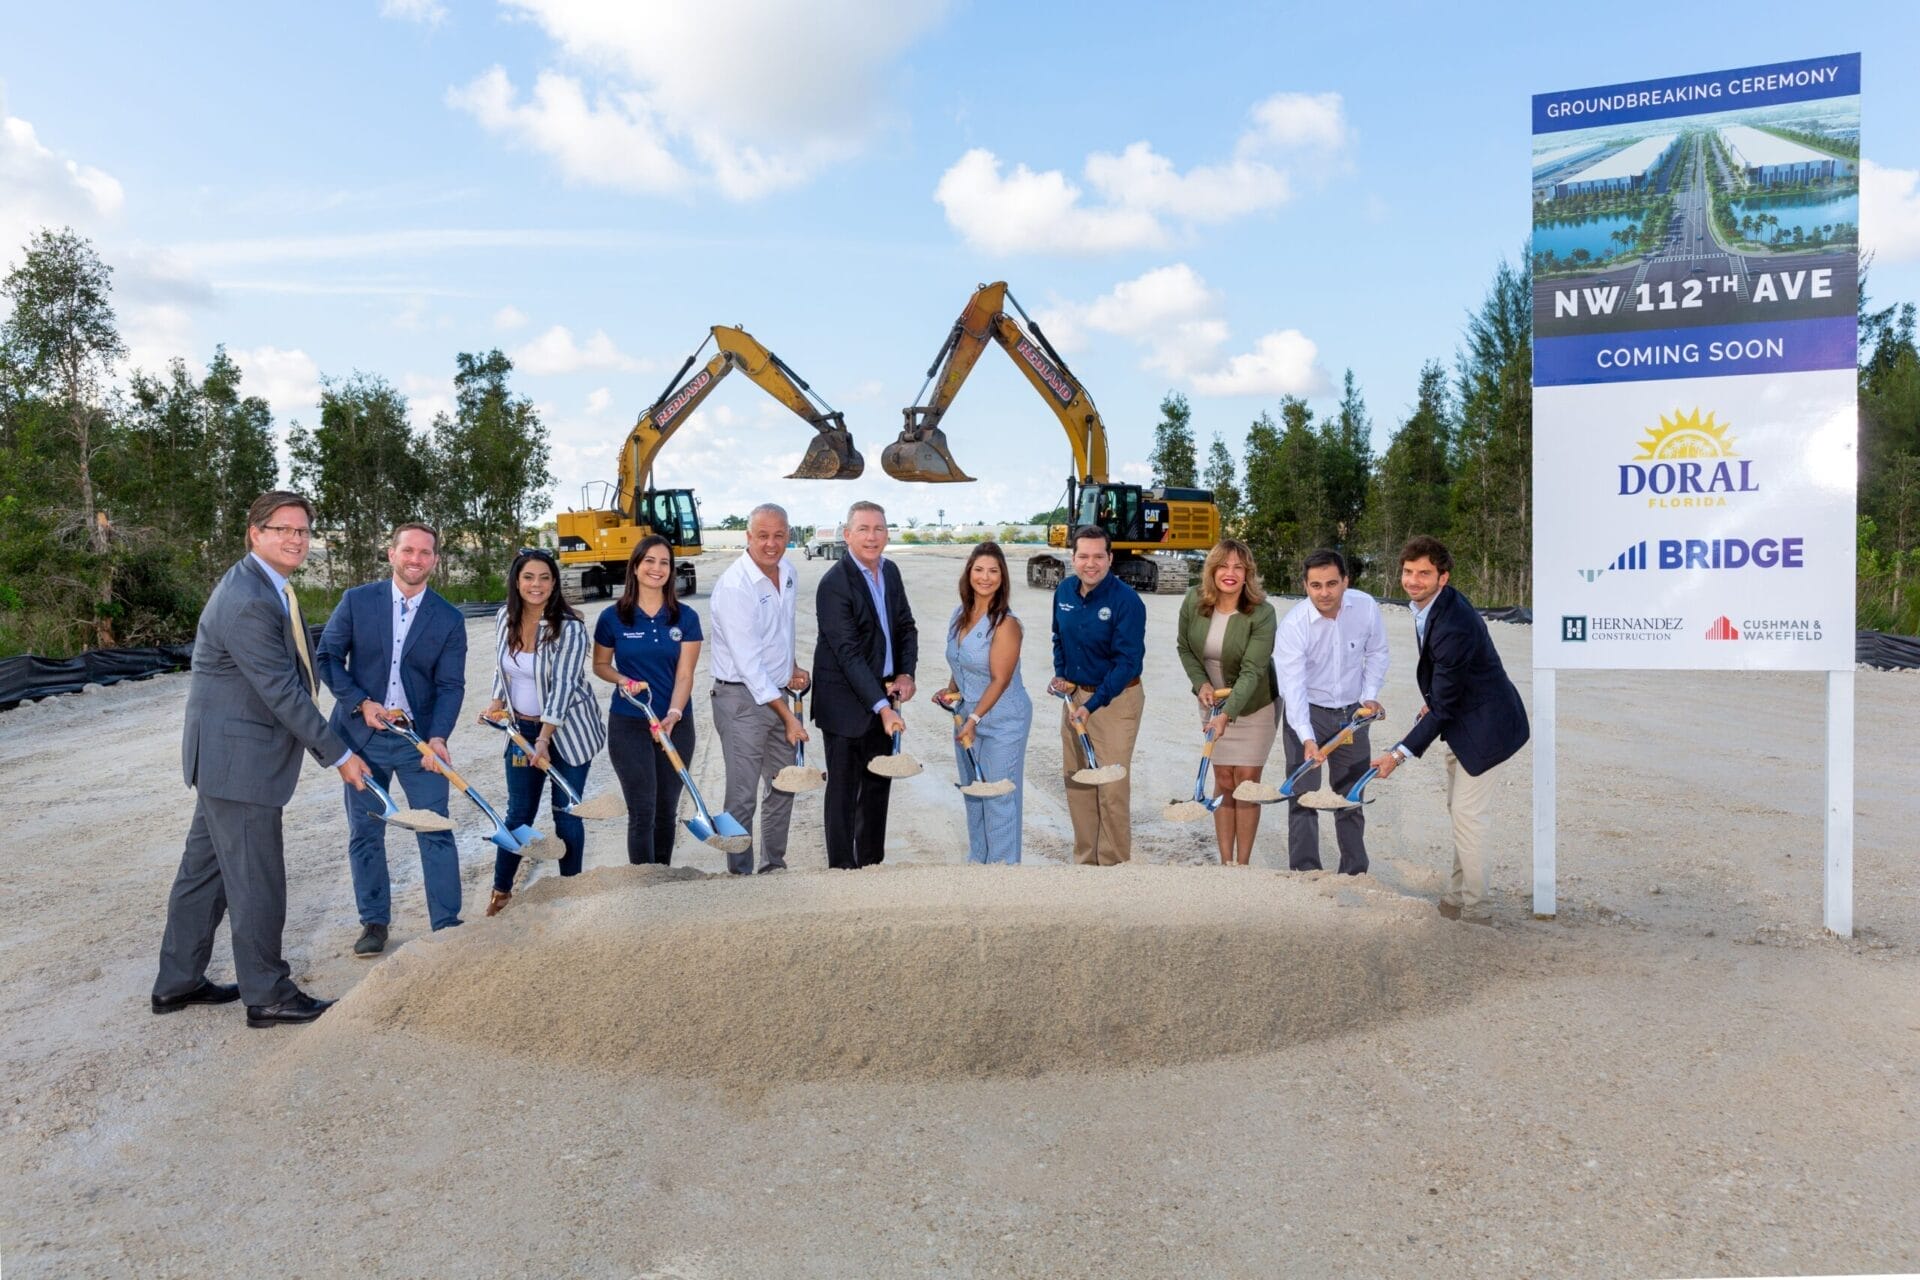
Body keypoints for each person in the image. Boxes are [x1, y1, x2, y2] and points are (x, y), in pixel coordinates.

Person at [152, 490, 371, 1028]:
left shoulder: (264, 586)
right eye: (283, 530)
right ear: (255, 533)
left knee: (204, 875)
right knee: (256, 879)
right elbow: (281, 690)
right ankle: (268, 993)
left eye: (302, 531)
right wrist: (339, 751)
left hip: (225, 761)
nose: (295, 539)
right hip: (240, 764)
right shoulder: (250, 599)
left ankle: (177, 982)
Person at [316, 521, 468, 957]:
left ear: (434, 561)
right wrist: (360, 702)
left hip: (417, 739)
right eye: (408, 551)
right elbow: (328, 657)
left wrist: (438, 737)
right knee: (365, 830)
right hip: (361, 737)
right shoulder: (357, 601)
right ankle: (374, 922)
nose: (415, 559)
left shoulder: (449, 618)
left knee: (435, 827)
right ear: (392, 554)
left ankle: (447, 925)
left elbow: (450, 686)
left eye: (424, 553)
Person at [1368, 535, 1530, 923]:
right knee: (1459, 812)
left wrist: (1396, 754)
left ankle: (1477, 910)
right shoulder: (1432, 606)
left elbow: (1445, 700)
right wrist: (1438, 698)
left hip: (1486, 728)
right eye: (1408, 572)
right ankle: (1457, 898)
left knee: (1469, 817)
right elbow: (1448, 683)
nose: (1413, 580)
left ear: (1443, 577)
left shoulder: (1453, 622)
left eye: (1424, 573)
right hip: (1463, 718)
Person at [483, 547, 605, 914]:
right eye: (528, 577)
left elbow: (565, 685)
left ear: (554, 583)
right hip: (521, 730)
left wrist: (544, 739)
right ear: (517, 582)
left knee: (567, 813)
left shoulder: (569, 628)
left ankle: (571, 892)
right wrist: (495, 704)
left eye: (544, 578)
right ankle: (501, 893)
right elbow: (502, 670)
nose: (536, 585)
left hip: (565, 732)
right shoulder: (505, 617)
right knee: (518, 812)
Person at [811, 500, 917, 870]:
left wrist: (906, 674)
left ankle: (871, 867)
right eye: (863, 529)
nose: (872, 537)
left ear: (887, 534)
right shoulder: (834, 584)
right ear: (847, 535)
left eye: (878, 529)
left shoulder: (890, 572)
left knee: (877, 788)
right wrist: (883, 708)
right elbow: (848, 654)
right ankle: (842, 870)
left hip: (883, 697)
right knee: (842, 792)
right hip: (844, 704)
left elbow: (905, 626)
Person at [706, 503, 809, 874]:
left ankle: (773, 866)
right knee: (742, 794)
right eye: (762, 536)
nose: (771, 543)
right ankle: (740, 874)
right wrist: (789, 718)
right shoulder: (735, 587)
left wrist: (792, 666)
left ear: (789, 535)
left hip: (776, 692)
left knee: (784, 785)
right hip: (740, 700)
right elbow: (748, 664)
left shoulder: (789, 571)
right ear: (748, 537)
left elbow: (781, 632)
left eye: (779, 535)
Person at [1273, 549, 1390, 875]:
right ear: (1305, 585)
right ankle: (1305, 871)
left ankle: (1354, 872)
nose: (1324, 593)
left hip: (1352, 715)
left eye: (1331, 584)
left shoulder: (1365, 607)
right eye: (1315, 585)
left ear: (1345, 582)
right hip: (1307, 712)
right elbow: (1292, 688)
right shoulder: (1295, 625)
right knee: (1303, 795)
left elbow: (1378, 652)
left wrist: (1368, 698)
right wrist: (1306, 738)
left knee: (1351, 793)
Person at [592, 534, 701, 866]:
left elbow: (685, 675)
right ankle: (643, 885)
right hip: (629, 723)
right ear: (636, 568)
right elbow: (600, 664)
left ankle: (661, 881)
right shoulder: (613, 617)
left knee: (666, 809)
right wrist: (622, 679)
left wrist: (674, 713)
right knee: (642, 808)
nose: (657, 568)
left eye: (664, 562)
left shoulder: (685, 617)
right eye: (649, 561)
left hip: (674, 724)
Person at [1175, 539, 1278, 866]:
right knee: (1222, 780)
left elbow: (1252, 670)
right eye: (1223, 566)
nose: (1230, 573)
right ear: (1212, 570)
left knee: (1245, 782)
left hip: (1254, 703)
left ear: (1248, 573)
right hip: (1211, 700)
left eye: (1238, 567)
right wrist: (1200, 683)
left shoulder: (1262, 612)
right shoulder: (1194, 600)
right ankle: (1225, 863)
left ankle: (1242, 865)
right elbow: (1185, 648)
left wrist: (1228, 713)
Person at [1048, 524, 1146, 866]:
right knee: (1078, 781)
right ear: (1073, 557)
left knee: (1111, 786)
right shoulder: (1063, 593)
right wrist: (1062, 677)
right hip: (1076, 699)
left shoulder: (1127, 602)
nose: (1091, 564)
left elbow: (1127, 663)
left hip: (1115, 701)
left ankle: (1114, 864)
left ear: (1110, 558)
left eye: (1098, 556)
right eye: (1083, 556)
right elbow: (1059, 638)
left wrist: (1091, 704)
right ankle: (1086, 861)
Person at [940, 542, 1032, 864]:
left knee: (998, 797)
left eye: (993, 571)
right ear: (969, 573)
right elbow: (961, 662)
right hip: (967, 719)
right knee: (974, 795)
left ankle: (1003, 872)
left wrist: (974, 719)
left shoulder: (1006, 624)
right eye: (979, 569)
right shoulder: (959, 615)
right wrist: (951, 691)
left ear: (1002, 577)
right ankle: (978, 864)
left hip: (1001, 721)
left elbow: (1000, 679)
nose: (985, 577)